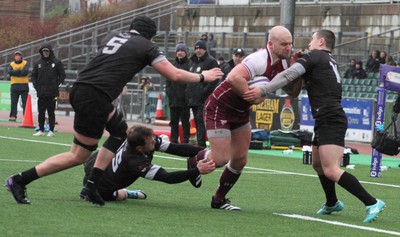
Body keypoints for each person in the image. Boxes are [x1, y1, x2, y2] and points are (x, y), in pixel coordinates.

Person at [5, 16, 223, 206]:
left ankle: (91, 185)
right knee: (78, 155)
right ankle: (22, 180)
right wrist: (203, 76)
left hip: (81, 88)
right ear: (150, 36)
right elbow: (174, 75)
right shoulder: (146, 46)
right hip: (96, 96)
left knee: (119, 133)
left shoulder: (111, 36)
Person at [243, 29, 385, 223]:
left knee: (331, 169)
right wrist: (295, 68)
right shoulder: (325, 60)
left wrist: (263, 88)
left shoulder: (314, 56)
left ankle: (371, 202)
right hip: (325, 117)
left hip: (330, 118)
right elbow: (293, 91)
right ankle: (332, 202)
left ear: (320, 42)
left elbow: (287, 76)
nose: (308, 44)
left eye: (311, 40)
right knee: (318, 165)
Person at [188, 26, 301, 210]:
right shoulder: (259, 59)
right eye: (284, 44)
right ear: (271, 44)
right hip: (220, 107)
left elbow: (293, 92)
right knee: (221, 159)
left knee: (240, 159)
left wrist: (298, 72)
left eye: (290, 44)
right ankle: (194, 160)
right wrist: (253, 95)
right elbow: (233, 77)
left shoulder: (286, 62)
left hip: (239, 112)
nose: (289, 48)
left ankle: (218, 199)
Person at [80, 125, 215, 202]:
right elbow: (167, 177)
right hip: (102, 187)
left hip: (95, 166)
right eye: (151, 142)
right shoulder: (135, 162)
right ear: (139, 148)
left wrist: (205, 151)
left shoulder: (142, 139)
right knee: (118, 196)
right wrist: (197, 170)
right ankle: (126, 193)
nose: (154, 142)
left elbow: (175, 148)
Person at [186, 40, 220, 148]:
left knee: (201, 121)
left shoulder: (211, 62)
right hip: (193, 98)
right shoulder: (192, 62)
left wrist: (203, 92)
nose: (198, 50)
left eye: (200, 48)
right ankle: (199, 143)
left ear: (205, 49)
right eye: (196, 48)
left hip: (204, 99)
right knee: (197, 121)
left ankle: (201, 145)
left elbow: (214, 81)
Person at [31, 43, 66, 137]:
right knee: (41, 112)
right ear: (41, 52)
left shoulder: (57, 62)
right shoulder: (37, 63)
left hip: (52, 92)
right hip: (41, 92)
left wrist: (57, 84)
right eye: (43, 51)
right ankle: (41, 130)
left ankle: (51, 130)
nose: (45, 53)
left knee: (51, 112)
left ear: (50, 51)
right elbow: (33, 75)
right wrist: (36, 85)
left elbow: (62, 75)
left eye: (47, 51)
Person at [166, 42, 191, 143]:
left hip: (185, 100)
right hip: (173, 100)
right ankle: (174, 140)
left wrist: (187, 95)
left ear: (186, 52)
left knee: (185, 122)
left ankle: (186, 140)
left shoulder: (189, 64)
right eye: (178, 51)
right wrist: (169, 93)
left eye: (182, 51)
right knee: (173, 122)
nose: (180, 53)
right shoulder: (172, 65)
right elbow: (168, 81)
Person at [7, 51, 29, 122]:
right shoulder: (12, 64)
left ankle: (26, 117)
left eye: (19, 55)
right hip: (14, 85)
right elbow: (9, 72)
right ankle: (13, 116)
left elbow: (25, 72)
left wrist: (15, 73)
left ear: (21, 56)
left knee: (25, 102)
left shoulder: (25, 63)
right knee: (14, 102)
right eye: (16, 56)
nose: (18, 57)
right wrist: (19, 71)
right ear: (14, 57)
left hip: (24, 86)